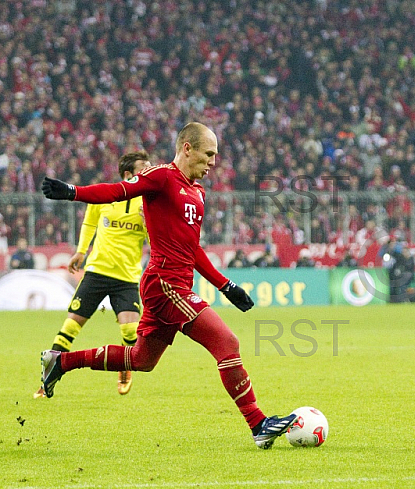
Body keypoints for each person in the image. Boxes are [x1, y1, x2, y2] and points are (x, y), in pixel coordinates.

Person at [40, 122, 296, 449]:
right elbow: (118, 192)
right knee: (227, 342)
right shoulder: (160, 176)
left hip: (175, 284)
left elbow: (193, 249)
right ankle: (258, 423)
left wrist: (226, 286)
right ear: (187, 148)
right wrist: (73, 193)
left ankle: (59, 362)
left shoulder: (198, 193)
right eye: (209, 154)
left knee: (143, 359)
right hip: (165, 284)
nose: (213, 162)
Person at [34, 151, 151, 399]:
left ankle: (124, 367)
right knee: (70, 326)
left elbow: (156, 240)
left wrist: (149, 223)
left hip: (127, 277)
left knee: (131, 332)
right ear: (129, 175)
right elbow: (89, 223)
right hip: (97, 272)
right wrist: (80, 252)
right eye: (145, 167)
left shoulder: (149, 203)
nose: (150, 171)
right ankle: (46, 380)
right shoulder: (107, 196)